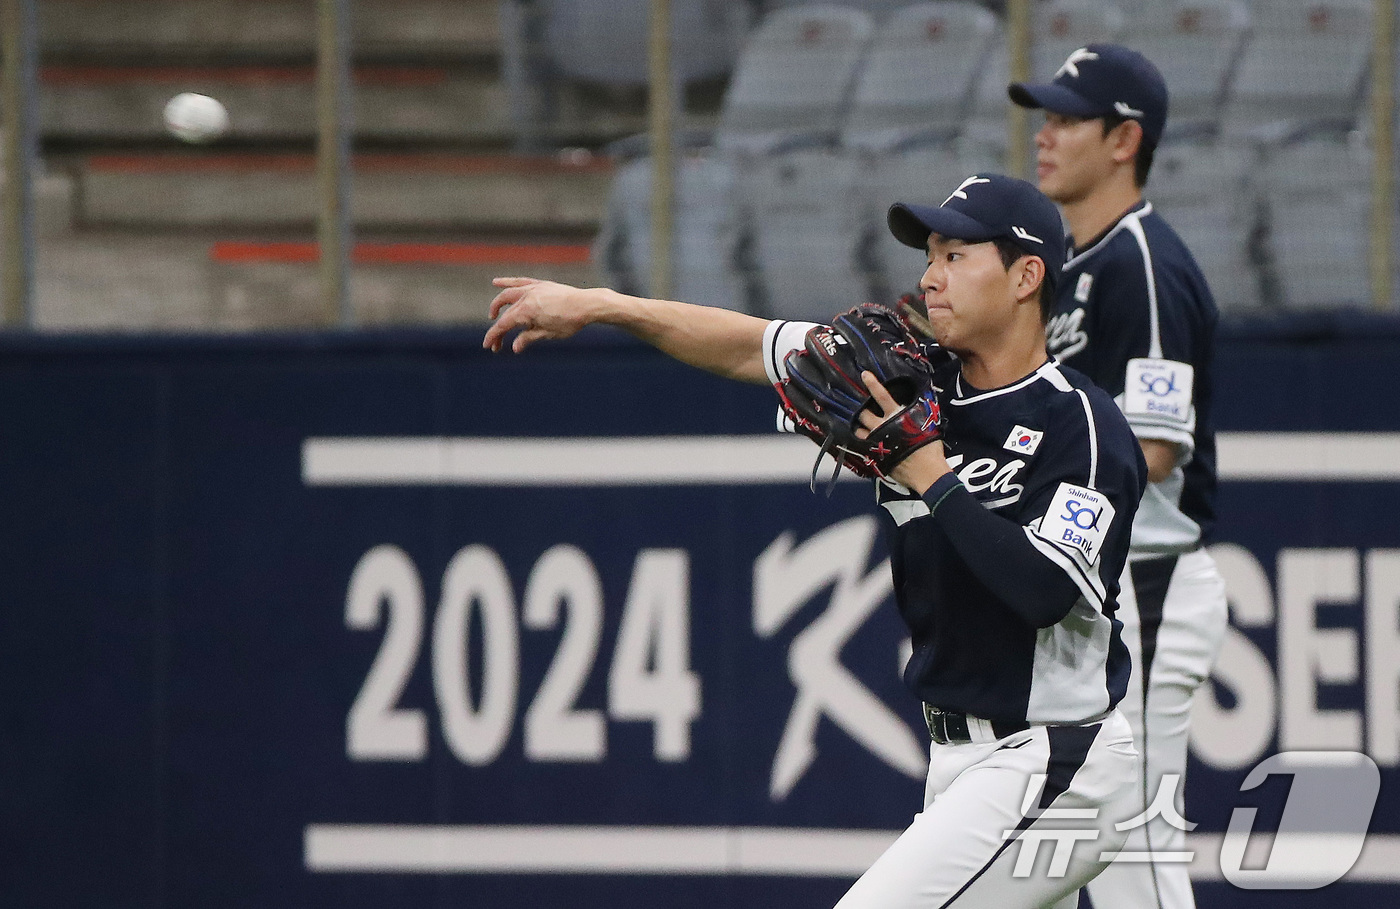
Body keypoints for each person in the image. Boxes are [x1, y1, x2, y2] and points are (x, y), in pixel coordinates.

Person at [485, 173, 1148, 908]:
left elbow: (1046, 590)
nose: (930, 277)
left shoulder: (1080, 426)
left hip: (1059, 760)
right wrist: (605, 305)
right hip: (961, 762)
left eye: (957, 255)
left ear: (1027, 276)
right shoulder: (907, 381)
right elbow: (748, 346)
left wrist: (931, 475)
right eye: (928, 255)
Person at [1009, 44, 1229, 909]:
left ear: (1124, 139)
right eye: (1045, 116)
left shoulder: (1142, 262)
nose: (1045, 135)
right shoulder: (1073, 265)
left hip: (1149, 588)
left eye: (1067, 119)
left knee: (1135, 862)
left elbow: (1157, 448)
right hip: (1101, 600)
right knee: (1053, 860)